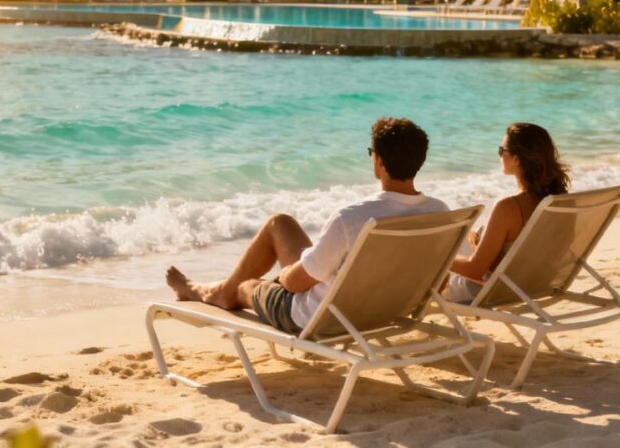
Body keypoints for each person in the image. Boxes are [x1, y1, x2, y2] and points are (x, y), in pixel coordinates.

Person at [165, 117, 449, 334]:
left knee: (246, 286)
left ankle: (206, 291)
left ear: (378, 161)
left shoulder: (352, 219)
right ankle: (209, 288)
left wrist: (284, 275)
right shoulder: (439, 213)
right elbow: (442, 281)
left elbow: (294, 283)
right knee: (281, 223)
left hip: (320, 318)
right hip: (384, 309)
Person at [445, 123, 571, 304]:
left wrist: (437, 258)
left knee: (449, 243)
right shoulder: (562, 201)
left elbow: (475, 270)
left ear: (517, 159)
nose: (499, 155)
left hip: (489, 291)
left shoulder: (509, 207)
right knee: (467, 237)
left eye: (501, 150)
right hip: (536, 284)